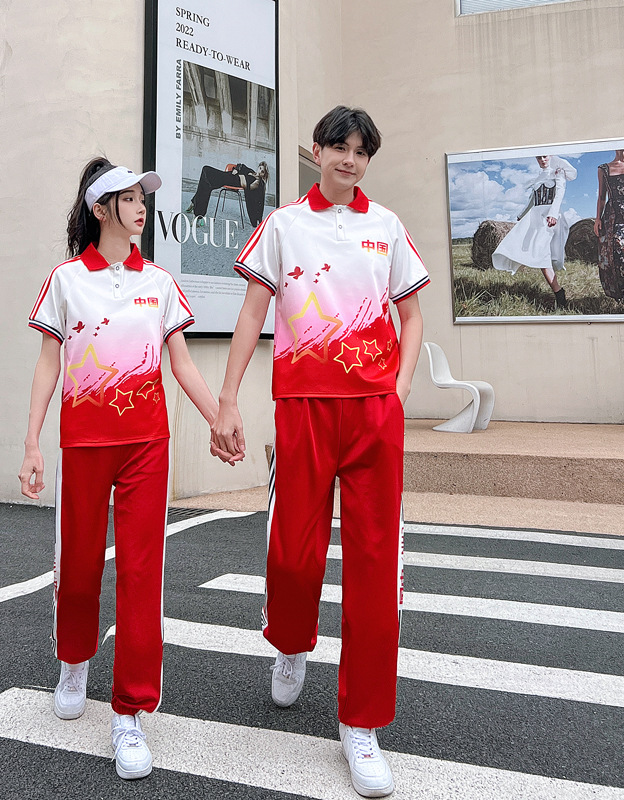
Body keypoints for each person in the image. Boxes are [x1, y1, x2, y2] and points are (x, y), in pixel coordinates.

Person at [211, 106, 429, 798]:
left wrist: (397, 391)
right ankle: (291, 642)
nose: (350, 160)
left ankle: (361, 724)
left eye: (362, 151)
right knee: (292, 554)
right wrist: (226, 399)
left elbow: (412, 316)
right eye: (340, 146)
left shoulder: (385, 226)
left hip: (372, 415)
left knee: (374, 568)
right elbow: (253, 312)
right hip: (302, 407)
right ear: (317, 150)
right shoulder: (283, 225)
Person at [19, 157, 235, 781]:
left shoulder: (160, 282)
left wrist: (219, 417)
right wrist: (32, 443)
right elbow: (48, 365)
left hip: (146, 446)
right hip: (84, 444)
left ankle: (131, 712)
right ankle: (74, 661)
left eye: (144, 197)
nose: (142, 206)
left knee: (142, 575)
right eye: (130, 197)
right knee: (79, 565)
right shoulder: (66, 280)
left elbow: (181, 364)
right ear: (100, 209)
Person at [492, 154, 578, 309]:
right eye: (539, 158)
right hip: (535, 218)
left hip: (549, 218)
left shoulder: (558, 172)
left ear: (550, 156)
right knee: (540, 256)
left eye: (545, 156)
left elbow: (559, 194)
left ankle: (559, 294)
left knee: (542, 256)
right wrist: (521, 215)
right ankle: (559, 294)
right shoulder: (538, 177)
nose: (542, 160)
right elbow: (532, 201)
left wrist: (553, 213)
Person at [187, 161, 269, 227]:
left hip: (231, 181)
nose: (259, 172)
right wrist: (237, 169)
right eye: (260, 168)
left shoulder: (258, 182)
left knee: (206, 172)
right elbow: (241, 165)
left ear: (264, 174)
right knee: (206, 183)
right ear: (258, 167)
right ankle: (198, 212)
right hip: (228, 175)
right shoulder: (251, 171)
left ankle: (196, 206)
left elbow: (254, 196)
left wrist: (257, 219)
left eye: (262, 171)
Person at [593, 150, 624, 300]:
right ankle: (620, 294)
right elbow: (601, 196)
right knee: (616, 253)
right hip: (613, 216)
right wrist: (597, 219)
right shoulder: (603, 169)